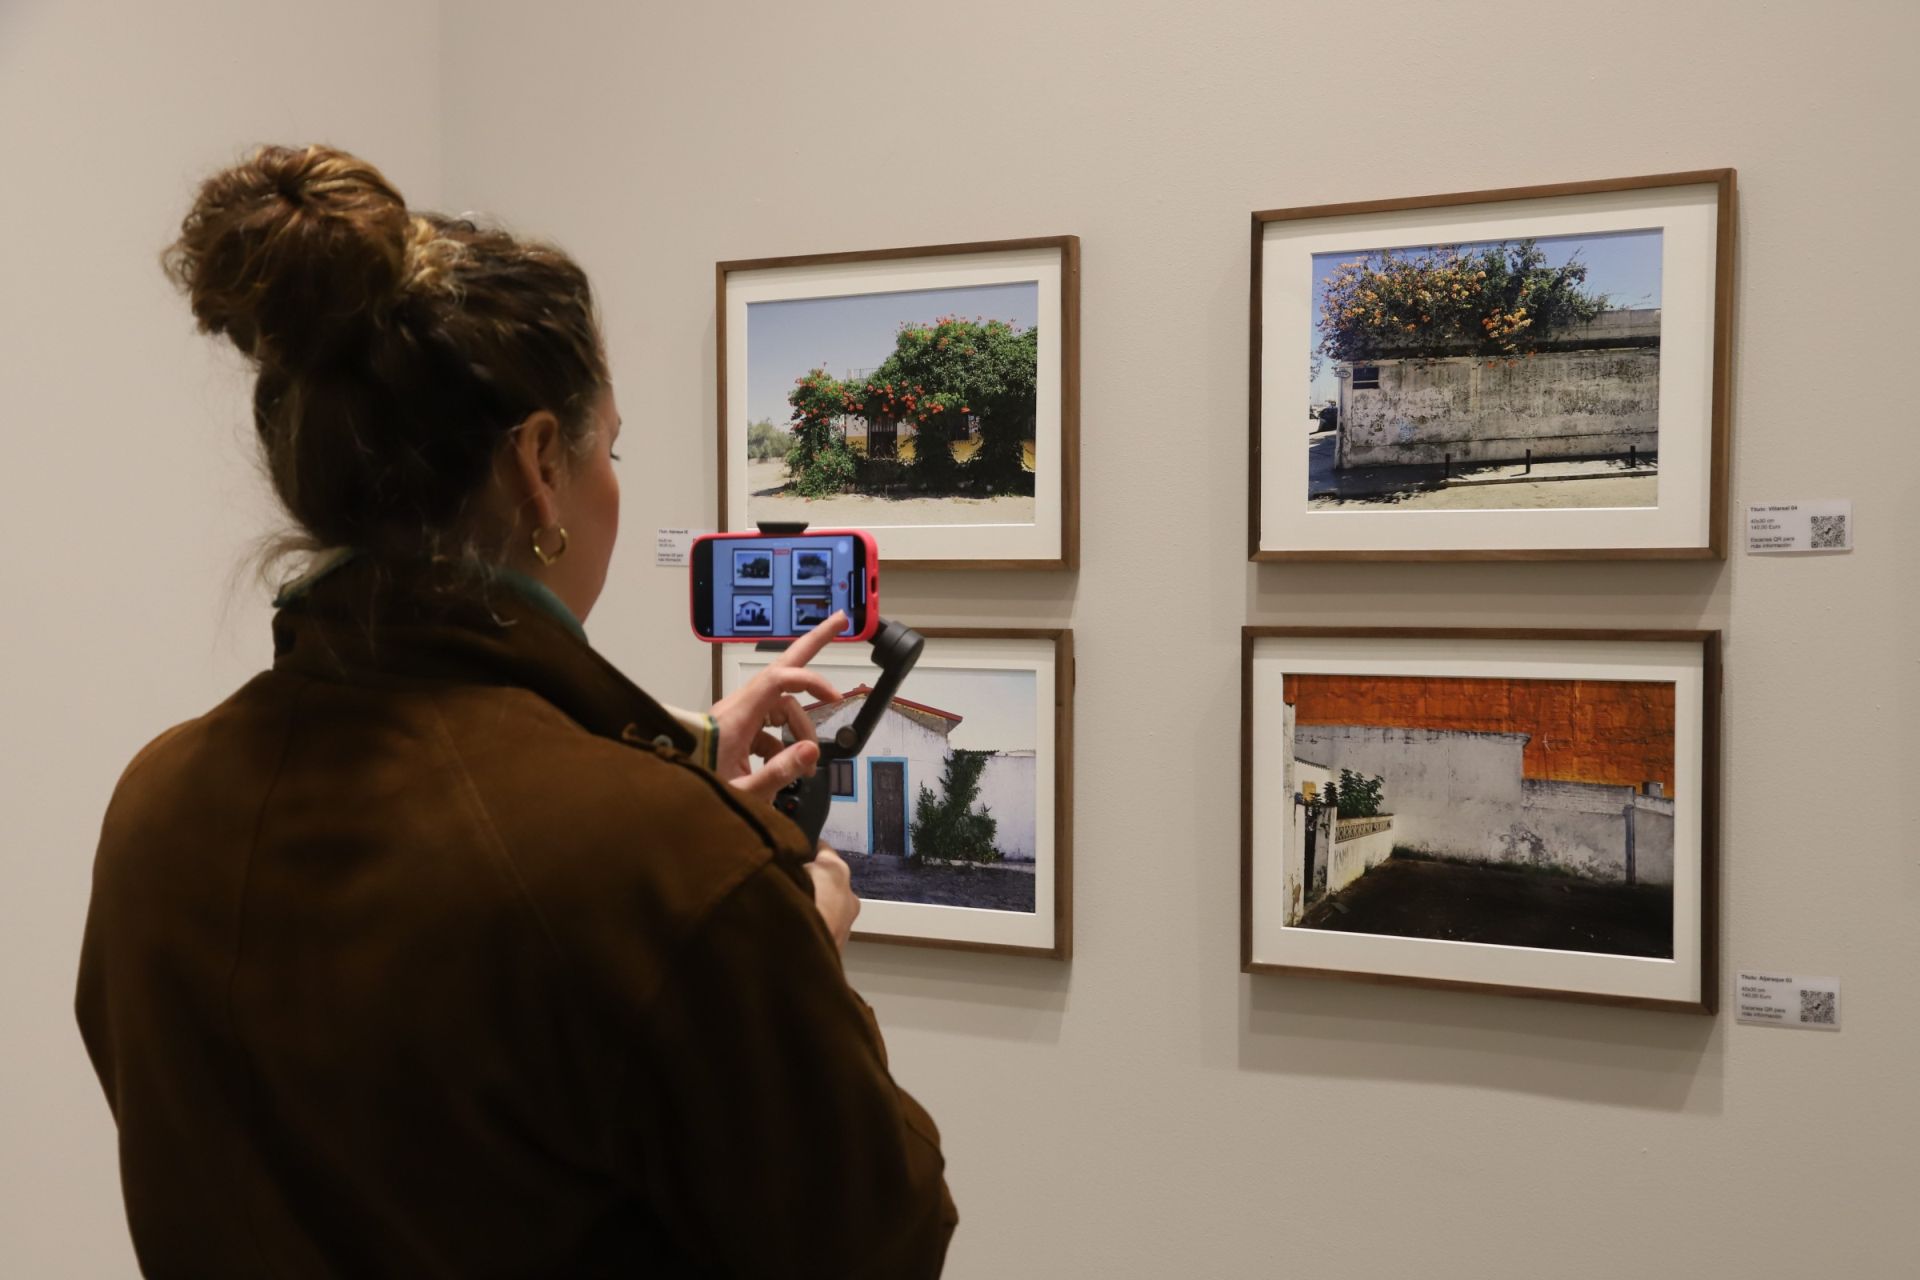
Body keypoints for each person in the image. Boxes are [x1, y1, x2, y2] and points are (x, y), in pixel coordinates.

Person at [75, 144, 955, 1278]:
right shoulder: (665, 864)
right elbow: (875, 1242)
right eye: (613, 447)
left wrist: (676, 764)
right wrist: (801, 944)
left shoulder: (157, 802)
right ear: (541, 462)